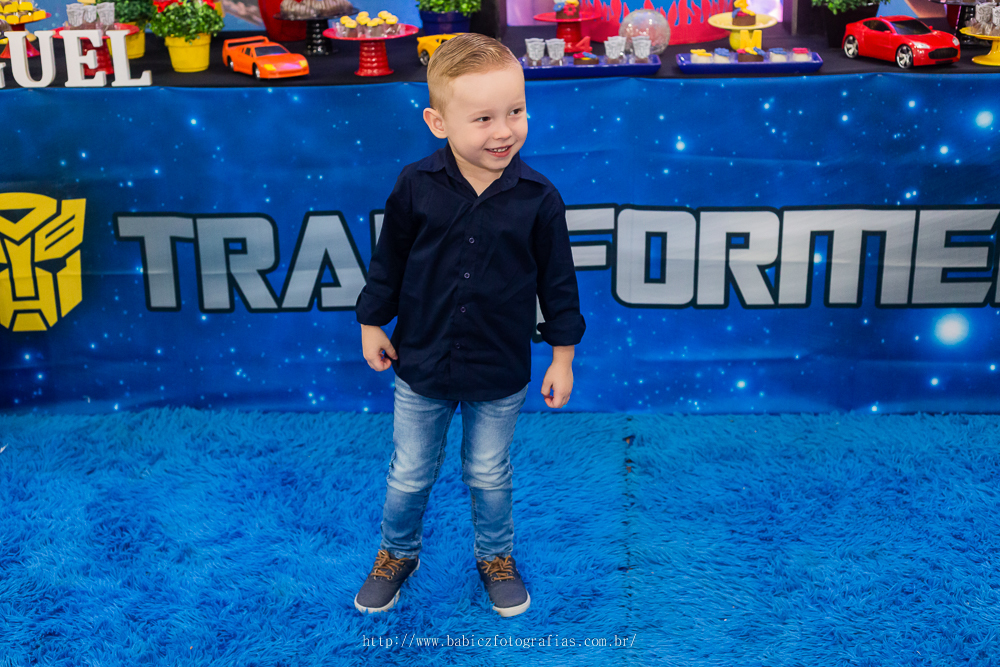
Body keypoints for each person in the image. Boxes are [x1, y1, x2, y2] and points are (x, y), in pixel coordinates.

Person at [353, 33, 585, 618]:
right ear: (438, 122)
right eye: (483, 118)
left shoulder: (540, 198)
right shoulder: (415, 185)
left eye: (516, 111)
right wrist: (372, 322)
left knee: (488, 472)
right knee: (409, 472)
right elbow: (388, 262)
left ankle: (496, 557)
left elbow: (559, 285)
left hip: (500, 368)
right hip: (421, 362)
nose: (504, 131)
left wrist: (562, 357)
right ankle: (397, 553)